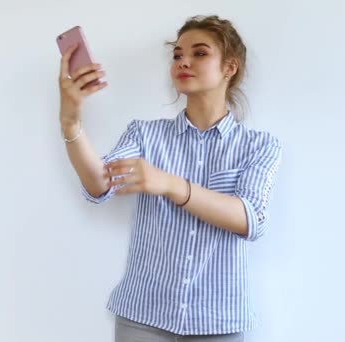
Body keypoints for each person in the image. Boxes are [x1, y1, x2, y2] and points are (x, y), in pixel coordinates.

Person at [57, 15, 282, 342]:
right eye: (177, 55)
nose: (183, 62)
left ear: (229, 68)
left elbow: (249, 219)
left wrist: (170, 184)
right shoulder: (145, 135)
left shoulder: (259, 146)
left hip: (218, 319)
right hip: (143, 315)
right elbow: (99, 184)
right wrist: (71, 122)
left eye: (199, 53)